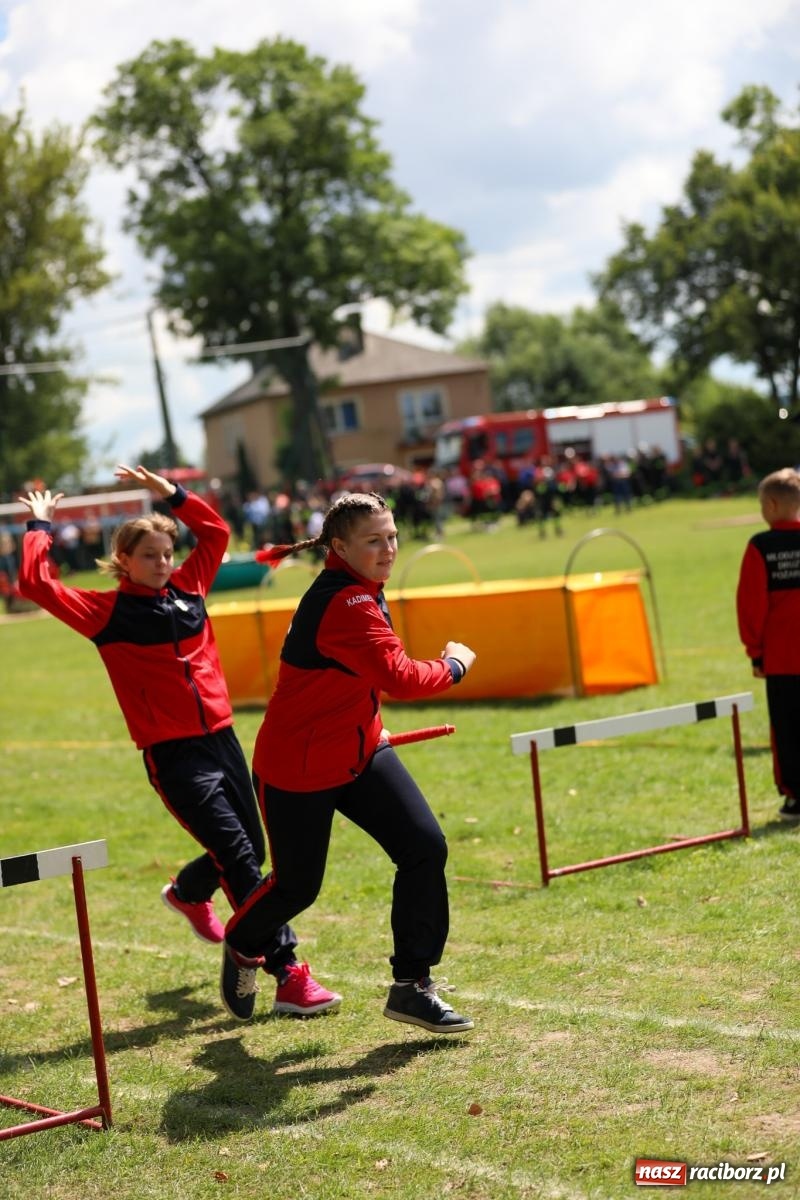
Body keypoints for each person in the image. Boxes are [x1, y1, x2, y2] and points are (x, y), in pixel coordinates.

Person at [17, 465, 340, 1019]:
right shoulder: (106, 613)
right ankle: (288, 973)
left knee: (253, 850)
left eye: (168, 553)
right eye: (150, 555)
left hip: (223, 740)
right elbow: (35, 584)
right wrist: (39, 526)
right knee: (241, 856)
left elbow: (214, 534)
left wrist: (175, 495)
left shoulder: (190, 588)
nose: (164, 563)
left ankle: (189, 893)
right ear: (124, 560)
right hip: (174, 755)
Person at [219, 490, 477, 1033]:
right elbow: (401, 677)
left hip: (361, 751)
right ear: (340, 546)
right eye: (373, 541)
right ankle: (243, 945)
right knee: (297, 888)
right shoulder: (348, 602)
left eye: (392, 538)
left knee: (425, 848)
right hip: (298, 768)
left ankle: (412, 985)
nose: (388, 549)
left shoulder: (361, 589)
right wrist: (453, 665)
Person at [736, 467, 800, 820]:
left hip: (782, 659)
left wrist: (755, 652)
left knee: (787, 729)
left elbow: (750, 604)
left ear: (772, 505)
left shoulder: (760, 546)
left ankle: (796, 797)